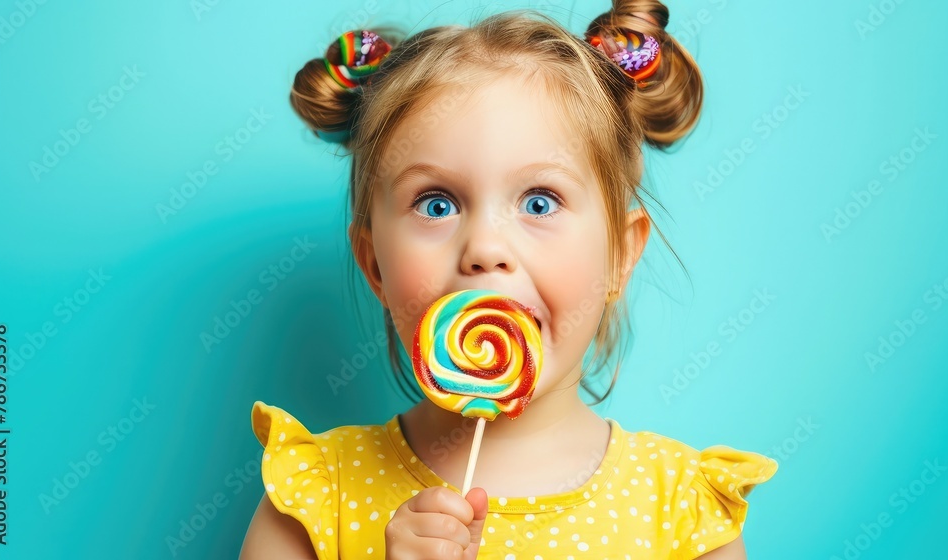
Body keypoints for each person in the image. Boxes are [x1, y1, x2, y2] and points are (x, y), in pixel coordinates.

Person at [240, 2, 777, 558]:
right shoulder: (315, 496)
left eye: (540, 202)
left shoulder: (681, 511)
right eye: (437, 203)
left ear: (620, 252)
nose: (486, 249)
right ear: (374, 262)